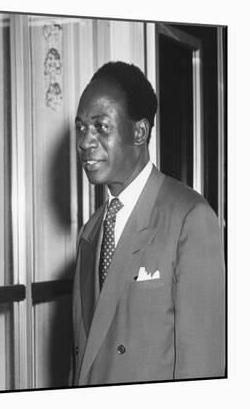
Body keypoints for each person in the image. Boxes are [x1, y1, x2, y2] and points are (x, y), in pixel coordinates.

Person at [71, 61, 225, 386]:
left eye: (101, 127)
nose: (85, 142)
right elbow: (83, 358)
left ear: (139, 131)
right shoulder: (91, 232)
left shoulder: (190, 219)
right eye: (81, 127)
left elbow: (202, 368)